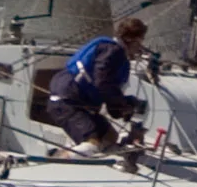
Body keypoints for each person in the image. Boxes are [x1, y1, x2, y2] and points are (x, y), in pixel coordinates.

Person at [45, 18, 149, 160]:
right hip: (68, 101)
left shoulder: (111, 49)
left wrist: (123, 107)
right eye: (140, 41)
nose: (140, 47)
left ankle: (106, 160)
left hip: (78, 102)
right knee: (91, 142)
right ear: (130, 39)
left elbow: (106, 90)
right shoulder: (113, 50)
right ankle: (56, 159)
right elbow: (102, 82)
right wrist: (122, 104)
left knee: (110, 137)